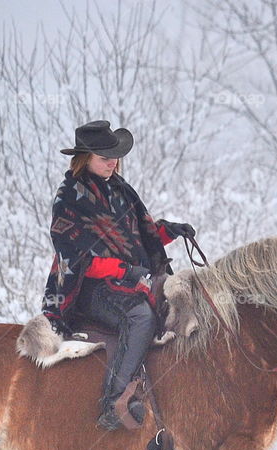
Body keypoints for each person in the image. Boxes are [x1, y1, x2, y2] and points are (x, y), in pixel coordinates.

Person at [41, 120, 196, 431]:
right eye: (104, 157)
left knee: (186, 304)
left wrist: (167, 232)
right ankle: (114, 402)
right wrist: (123, 270)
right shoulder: (70, 198)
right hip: (89, 288)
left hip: (127, 281)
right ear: (85, 158)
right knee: (141, 316)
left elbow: (139, 237)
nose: (112, 163)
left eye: (114, 156)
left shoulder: (120, 189)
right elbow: (76, 256)